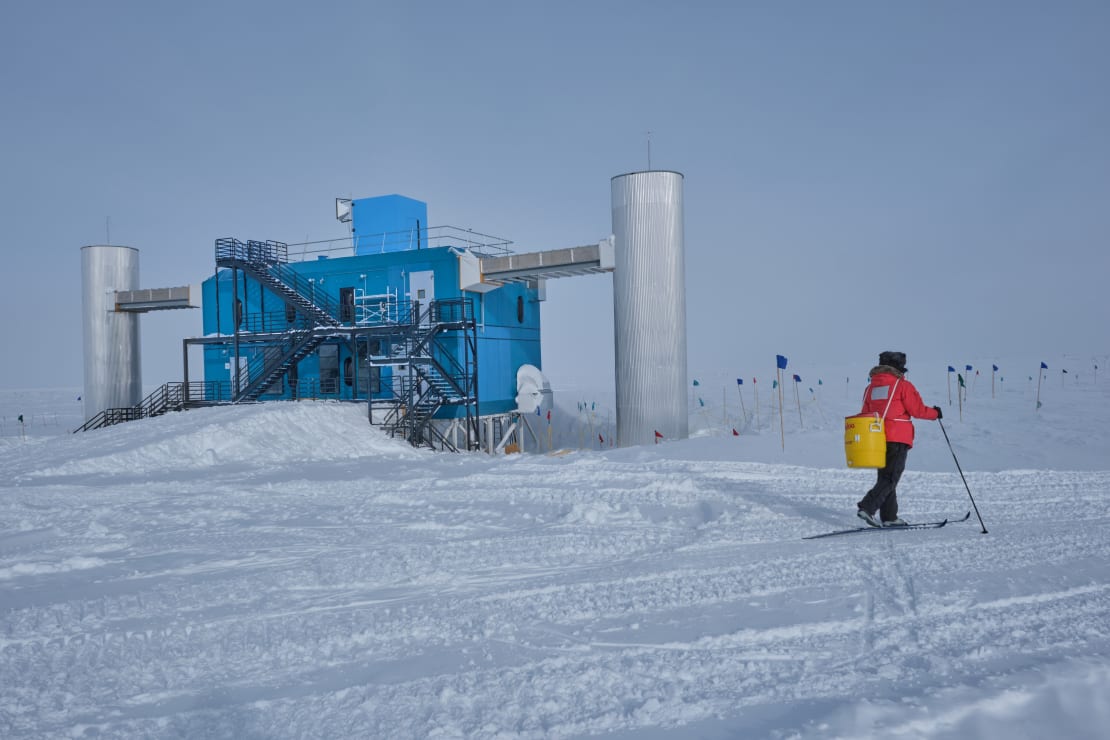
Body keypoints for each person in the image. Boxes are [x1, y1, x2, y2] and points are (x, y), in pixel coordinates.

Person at [856, 351, 943, 527]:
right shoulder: (902, 386)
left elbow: (865, 413)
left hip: (876, 438)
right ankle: (867, 506)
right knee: (891, 477)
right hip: (897, 437)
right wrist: (936, 413)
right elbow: (917, 410)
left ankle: (889, 517)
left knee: (886, 478)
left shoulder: (870, 388)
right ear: (897, 368)